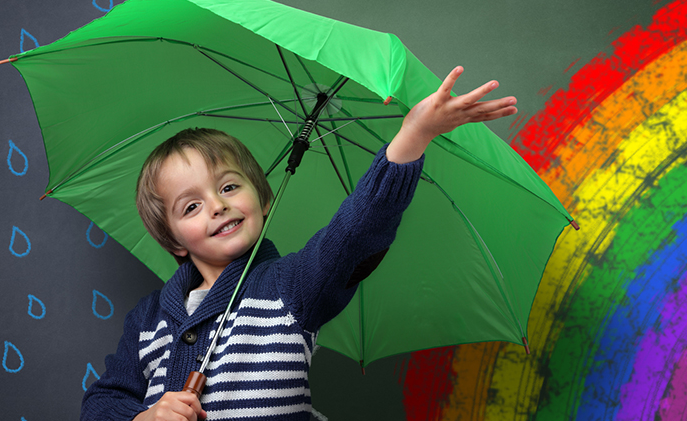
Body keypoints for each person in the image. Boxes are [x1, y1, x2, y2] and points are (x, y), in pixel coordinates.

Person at [81, 67, 517, 421]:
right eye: (191, 207)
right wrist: (144, 418)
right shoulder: (147, 320)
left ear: (264, 199)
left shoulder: (292, 287)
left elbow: (353, 234)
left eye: (230, 187)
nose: (217, 205)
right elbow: (101, 405)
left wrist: (412, 137)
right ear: (172, 240)